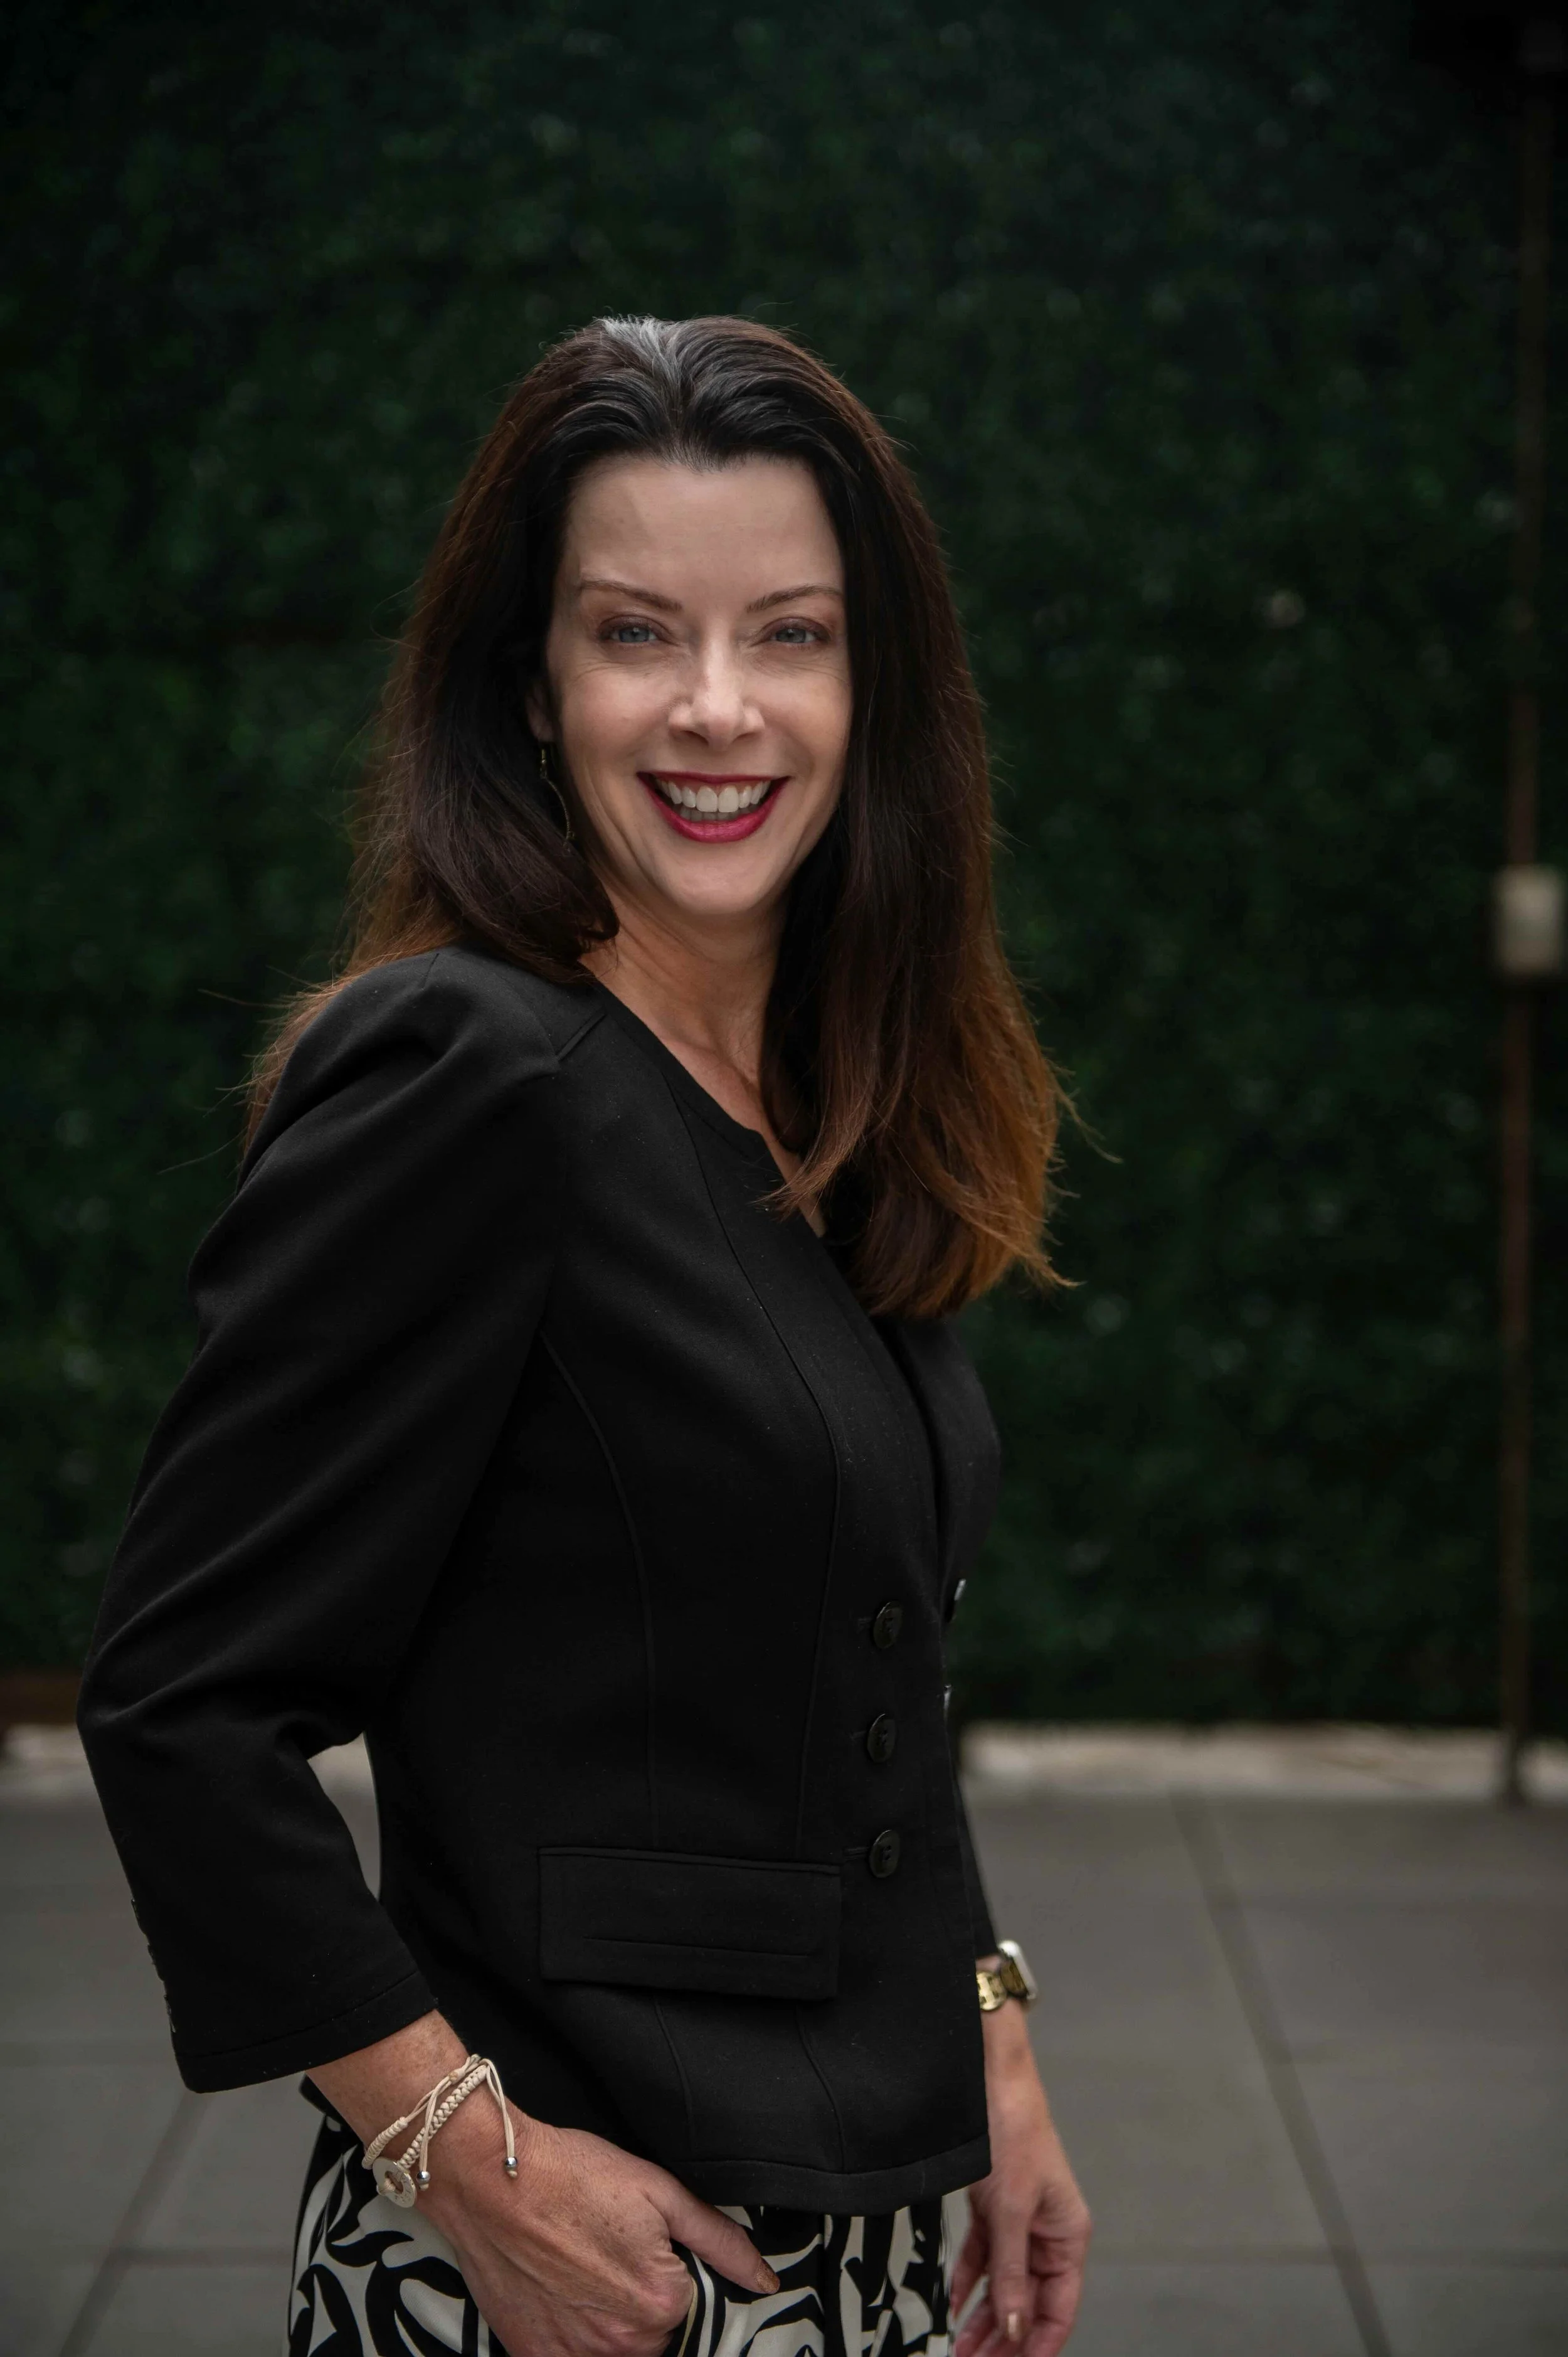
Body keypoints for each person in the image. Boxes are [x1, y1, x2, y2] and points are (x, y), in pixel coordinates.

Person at [78, 315, 1090, 2357]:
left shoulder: (820, 1099)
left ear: (873, 685)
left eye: (789, 635)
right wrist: (462, 2159)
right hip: (590, 2256)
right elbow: (183, 1702)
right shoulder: (471, 1073)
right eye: (635, 632)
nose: (717, 708)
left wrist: (981, 2034)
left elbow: (861, 1655)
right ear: (530, 689)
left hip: (866, 2212)